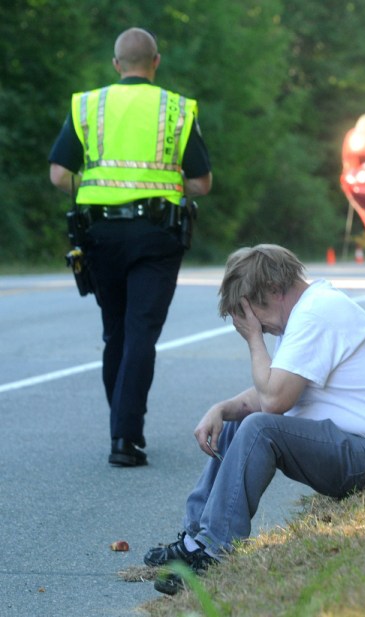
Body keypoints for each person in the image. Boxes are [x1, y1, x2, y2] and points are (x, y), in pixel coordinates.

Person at [144, 244, 365, 595]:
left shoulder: (315, 315)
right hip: (360, 447)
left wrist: (253, 342)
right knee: (241, 418)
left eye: (257, 315)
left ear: (276, 291)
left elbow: (274, 399)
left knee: (260, 426)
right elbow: (272, 391)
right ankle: (194, 540)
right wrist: (222, 409)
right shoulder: (305, 312)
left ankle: (216, 548)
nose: (261, 328)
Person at [48, 28, 212, 467]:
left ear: (117, 64)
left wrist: (98, 186)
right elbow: (201, 183)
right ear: (155, 61)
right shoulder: (175, 108)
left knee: (115, 331)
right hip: (157, 237)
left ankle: (122, 428)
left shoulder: (88, 105)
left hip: (99, 236)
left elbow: (60, 175)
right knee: (141, 333)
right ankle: (125, 437)